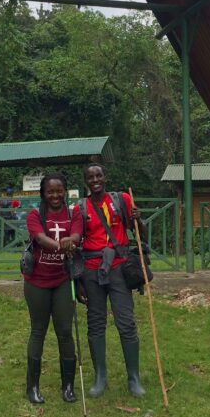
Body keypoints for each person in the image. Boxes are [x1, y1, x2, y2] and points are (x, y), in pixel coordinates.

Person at [70, 162, 146, 398]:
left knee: (126, 321)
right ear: (86, 182)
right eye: (90, 177)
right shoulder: (80, 208)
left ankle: (134, 377)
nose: (95, 180)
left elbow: (141, 233)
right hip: (91, 271)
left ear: (105, 178)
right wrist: (78, 280)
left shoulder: (122, 199)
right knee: (95, 322)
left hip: (119, 268)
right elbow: (76, 242)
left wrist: (138, 218)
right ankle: (100, 376)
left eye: (98, 176)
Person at [22, 173, 81, 405]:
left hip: (64, 280)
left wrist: (72, 240)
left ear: (65, 191)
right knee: (38, 330)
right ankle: (32, 386)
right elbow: (39, 237)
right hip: (37, 280)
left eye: (59, 191)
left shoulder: (73, 213)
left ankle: (68, 386)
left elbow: (77, 233)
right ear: (43, 194)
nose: (55, 195)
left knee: (65, 331)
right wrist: (62, 245)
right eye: (50, 191)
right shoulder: (35, 215)